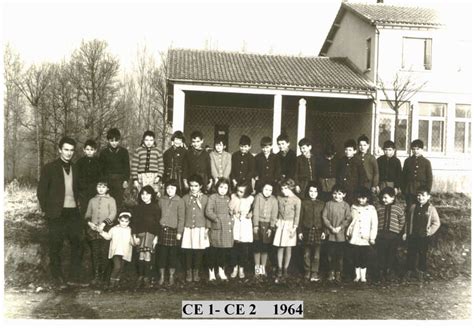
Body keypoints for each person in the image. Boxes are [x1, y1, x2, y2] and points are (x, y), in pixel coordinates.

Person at [37, 136, 84, 288]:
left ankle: (73, 276)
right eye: (66, 150)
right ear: (59, 150)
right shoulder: (49, 168)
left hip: (72, 212)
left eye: (71, 150)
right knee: (55, 244)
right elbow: (41, 192)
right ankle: (57, 277)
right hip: (56, 213)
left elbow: (79, 189)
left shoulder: (76, 168)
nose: (69, 153)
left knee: (78, 242)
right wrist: (47, 211)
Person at [403, 187, 440, 281]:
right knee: (411, 253)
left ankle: (421, 272)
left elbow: (436, 223)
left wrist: (429, 231)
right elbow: (408, 221)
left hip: (423, 236)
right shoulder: (413, 207)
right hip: (413, 235)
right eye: (418, 195)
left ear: (428, 197)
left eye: (423, 195)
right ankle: (409, 270)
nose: (420, 197)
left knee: (422, 254)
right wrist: (406, 233)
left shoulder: (431, 209)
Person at [84, 181, 117, 286]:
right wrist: (90, 223)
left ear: (107, 188)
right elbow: (88, 215)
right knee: (95, 253)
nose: (101, 189)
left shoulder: (111, 200)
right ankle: (96, 277)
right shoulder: (92, 200)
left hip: (105, 229)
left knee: (104, 253)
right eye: (99, 186)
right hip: (94, 231)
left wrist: (103, 224)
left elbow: (113, 213)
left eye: (103, 187)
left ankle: (104, 278)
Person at [179, 174, 210, 282]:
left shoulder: (205, 198)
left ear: (201, 186)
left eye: (196, 186)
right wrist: (181, 228)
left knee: (198, 250)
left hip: (200, 227)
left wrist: (207, 228)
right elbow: (182, 214)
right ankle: (188, 271)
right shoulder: (185, 198)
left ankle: (196, 271)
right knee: (188, 250)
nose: (193, 188)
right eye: (191, 185)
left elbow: (207, 214)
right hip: (188, 227)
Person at [98, 211, 140, 290]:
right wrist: (101, 232)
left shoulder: (130, 230)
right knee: (117, 267)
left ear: (129, 222)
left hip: (125, 252)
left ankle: (116, 284)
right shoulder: (114, 229)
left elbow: (132, 242)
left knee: (121, 268)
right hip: (116, 251)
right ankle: (111, 284)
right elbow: (108, 237)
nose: (124, 223)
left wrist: (136, 242)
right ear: (118, 220)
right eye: (122, 221)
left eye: (126, 221)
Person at [346, 187, 378, 283]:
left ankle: (363, 276)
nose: (361, 200)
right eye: (359, 198)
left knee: (364, 256)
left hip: (365, 237)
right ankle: (357, 276)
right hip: (355, 237)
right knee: (356, 256)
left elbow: (374, 224)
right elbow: (350, 222)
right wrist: (349, 233)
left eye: (363, 198)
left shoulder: (371, 209)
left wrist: (372, 237)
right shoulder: (353, 207)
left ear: (367, 198)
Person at [157, 179, 185, 286]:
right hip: (163, 230)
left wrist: (179, 232)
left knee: (172, 255)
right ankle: (162, 276)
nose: (170, 190)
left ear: (176, 189)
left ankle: (171, 276)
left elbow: (181, 218)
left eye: (172, 188)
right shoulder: (161, 200)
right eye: (168, 188)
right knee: (162, 255)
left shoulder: (180, 201)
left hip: (173, 231)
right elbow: (158, 214)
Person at [132, 185, 161, 289]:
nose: (145, 196)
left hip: (151, 234)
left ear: (151, 195)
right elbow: (134, 223)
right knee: (141, 255)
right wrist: (134, 235)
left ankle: (147, 278)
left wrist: (157, 237)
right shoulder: (137, 207)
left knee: (147, 254)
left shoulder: (155, 207)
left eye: (147, 194)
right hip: (140, 234)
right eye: (143, 194)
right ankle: (140, 276)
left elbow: (157, 223)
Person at [322, 184, 352, 283]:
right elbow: (324, 217)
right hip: (330, 234)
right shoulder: (328, 204)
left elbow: (348, 219)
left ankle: (338, 273)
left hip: (341, 235)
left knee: (340, 256)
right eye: (335, 193)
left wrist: (340, 227)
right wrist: (330, 227)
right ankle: (331, 272)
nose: (337, 196)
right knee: (330, 255)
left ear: (344, 194)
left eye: (339, 194)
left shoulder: (346, 205)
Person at [205, 178, 233, 281]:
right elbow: (208, 211)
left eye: (225, 188)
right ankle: (211, 273)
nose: (223, 190)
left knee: (223, 251)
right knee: (213, 250)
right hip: (216, 226)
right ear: (217, 187)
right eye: (221, 187)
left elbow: (231, 210)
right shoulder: (213, 197)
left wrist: (231, 216)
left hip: (226, 227)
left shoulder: (228, 198)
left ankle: (221, 271)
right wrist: (216, 219)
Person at [273, 178, 301, 281]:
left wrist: (294, 228)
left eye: (286, 188)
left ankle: (285, 269)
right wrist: (276, 221)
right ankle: (279, 269)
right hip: (281, 223)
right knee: (280, 246)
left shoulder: (297, 200)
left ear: (292, 188)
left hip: (290, 225)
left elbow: (297, 216)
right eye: (282, 188)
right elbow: (276, 210)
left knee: (288, 247)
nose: (283, 191)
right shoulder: (279, 198)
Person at [375, 186, 405, 281]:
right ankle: (380, 272)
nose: (384, 200)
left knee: (391, 254)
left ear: (393, 198)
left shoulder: (398, 208)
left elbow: (402, 221)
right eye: (382, 198)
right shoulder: (379, 208)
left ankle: (388, 271)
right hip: (381, 235)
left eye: (386, 198)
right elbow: (375, 220)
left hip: (393, 236)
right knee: (381, 253)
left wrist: (397, 231)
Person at [298, 182, 325, 282]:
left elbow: (323, 219)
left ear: (318, 192)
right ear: (307, 191)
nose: (312, 193)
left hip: (318, 230)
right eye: (310, 191)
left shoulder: (322, 203)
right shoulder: (304, 203)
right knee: (306, 253)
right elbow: (300, 219)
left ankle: (314, 272)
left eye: (315, 191)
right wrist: (300, 231)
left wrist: (324, 231)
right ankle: (307, 271)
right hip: (306, 230)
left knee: (316, 254)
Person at [99, 128, 130, 211]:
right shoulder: (104, 152)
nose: (114, 143)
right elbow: (101, 169)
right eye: (112, 140)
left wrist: (125, 180)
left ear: (119, 140)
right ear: (108, 140)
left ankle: (117, 220)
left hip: (119, 181)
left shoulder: (124, 152)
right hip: (107, 180)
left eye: (116, 140)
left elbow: (127, 167)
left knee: (118, 202)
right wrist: (103, 182)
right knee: (107, 202)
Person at [229, 182, 255, 279]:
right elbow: (230, 208)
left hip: (245, 223)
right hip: (235, 222)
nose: (239, 193)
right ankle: (235, 267)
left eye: (242, 192)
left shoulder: (251, 199)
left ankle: (241, 268)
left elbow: (254, 209)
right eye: (238, 191)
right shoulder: (233, 197)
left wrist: (251, 213)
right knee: (234, 247)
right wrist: (232, 212)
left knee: (244, 248)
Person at [252, 182, 278, 278]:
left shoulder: (274, 200)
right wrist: (255, 225)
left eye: (270, 190)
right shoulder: (258, 197)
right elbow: (256, 212)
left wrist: (271, 227)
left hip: (267, 226)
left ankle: (263, 269)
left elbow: (274, 215)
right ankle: (257, 269)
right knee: (257, 248)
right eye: (266, 189)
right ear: (262, 189)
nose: (268, 192)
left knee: (265, 249)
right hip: (258, 224)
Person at [402, 139, 433, 207]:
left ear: (422, 149)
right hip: (409, 188)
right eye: (413, 149)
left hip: (421, 187)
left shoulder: (426, 162)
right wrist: (404, 189)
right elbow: (403, 176)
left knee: (421, 205)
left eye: (418, 149)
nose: (415, 151)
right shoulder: (407, 161)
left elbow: (429, 178)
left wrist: (427, 190)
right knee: (410, 206)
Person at [76, 139, 103, 218]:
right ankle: (84, 228)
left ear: (95, 150)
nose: (89, 152)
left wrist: (98, 188)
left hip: (94, 190)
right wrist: (80, 188)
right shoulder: (80, 162)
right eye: (87, 149)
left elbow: (101, 176)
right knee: (84, 210)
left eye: (91, 149)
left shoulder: (98, 162)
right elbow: (77, 176)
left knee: (95, 209)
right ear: (84, 150)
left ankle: (94, 228)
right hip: (83, 192)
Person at [337, 139, 368, 205]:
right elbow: (338, 175)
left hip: (354, 190)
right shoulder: (341, 161)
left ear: (355, 151)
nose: (347, 152)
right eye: (346, 150)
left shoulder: (358, 162)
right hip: (343, 189)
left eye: (350, 150)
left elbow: (362, 177)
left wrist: (359, 189)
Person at [163, 131, 187, 196]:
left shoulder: (185, 152)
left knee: (180, 193)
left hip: (180, 177)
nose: (177, 141)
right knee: (169, 192)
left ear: (182, 141)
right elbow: (164, 165)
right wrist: (163, 179)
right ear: (173, 139)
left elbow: (186, 166)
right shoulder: (167, 152)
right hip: (169, 176)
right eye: (176, 139)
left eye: (179, 140)